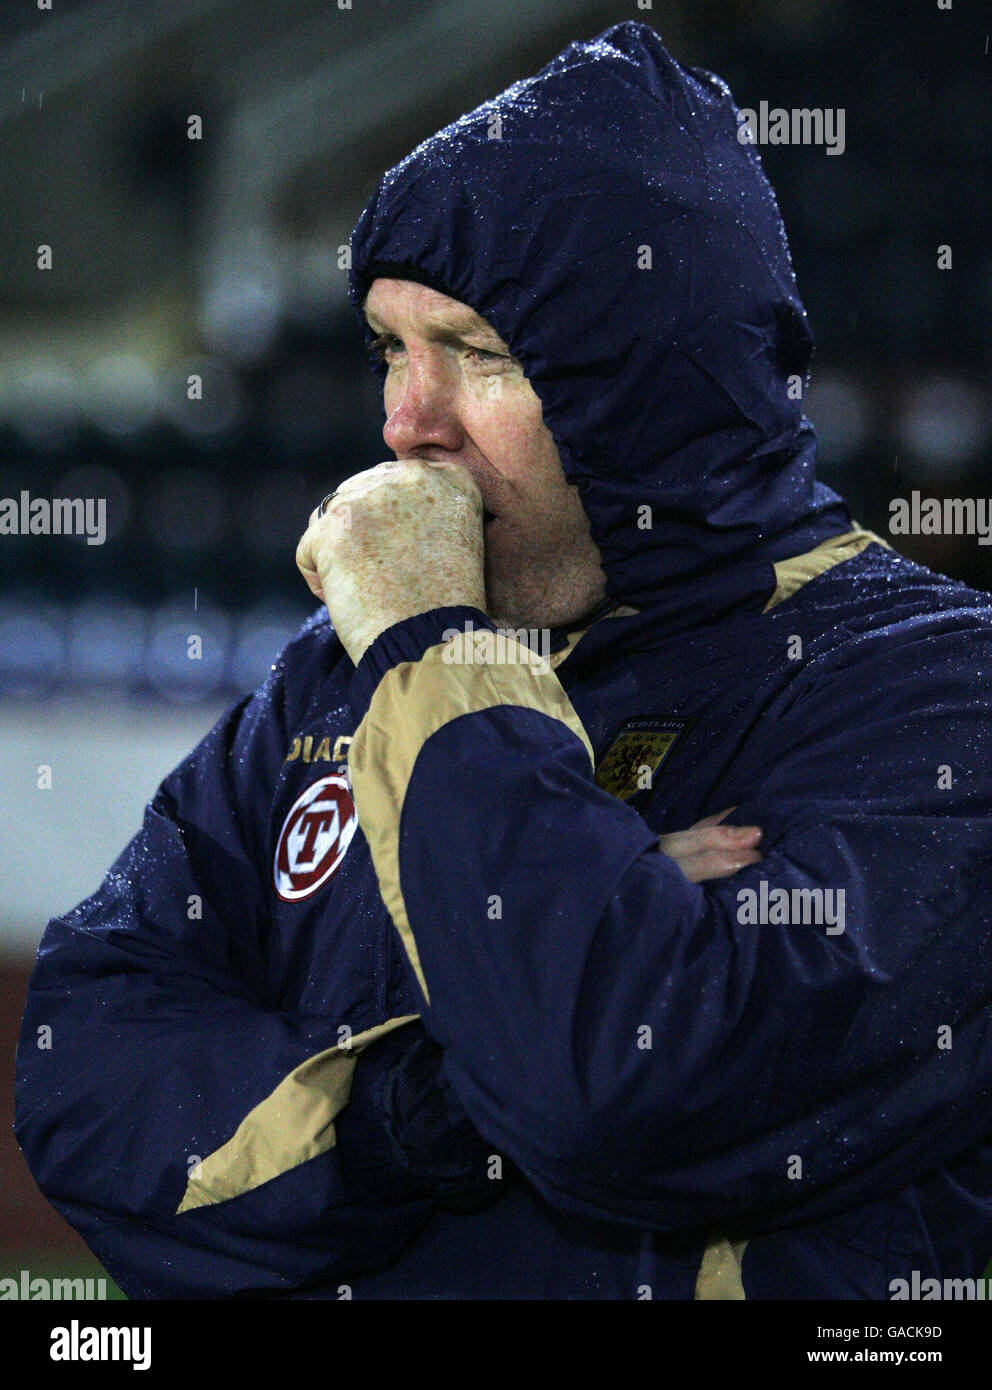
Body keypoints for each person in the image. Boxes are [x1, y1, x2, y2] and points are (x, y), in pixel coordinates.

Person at [15, 21, 992, 1301]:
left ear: (650, 377)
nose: (404, 426)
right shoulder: (330, 680)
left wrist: (434, 653)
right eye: (388, 348)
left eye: (479, 355)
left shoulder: (932, 695)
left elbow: (620, 1094)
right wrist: (426, 1100)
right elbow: (84, 1067)